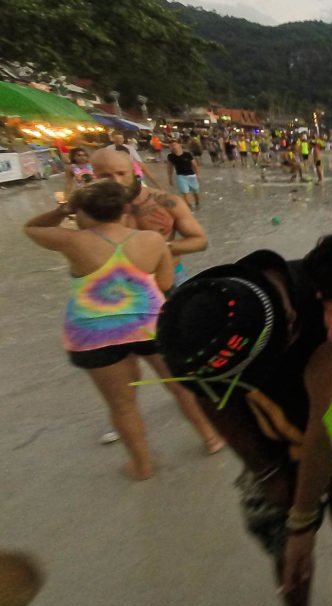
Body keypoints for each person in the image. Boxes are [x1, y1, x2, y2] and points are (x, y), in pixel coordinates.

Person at [156, 250, 332, 606]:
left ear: (291, 322)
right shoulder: (199, 332)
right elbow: (211, 400)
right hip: (274, 447)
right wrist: (267, 470)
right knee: (285, 551)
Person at [23, 180, 222, 480]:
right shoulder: (152, 241)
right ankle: (211, 437)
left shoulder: (72, 241)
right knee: (181, 385)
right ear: (126, 208)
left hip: (95, 334)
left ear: (81, 211)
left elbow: (31, 228)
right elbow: (166, 284)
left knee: (122, 404)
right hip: (150, 324)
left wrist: (63, 208)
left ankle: (142, 466)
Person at [91, 148, 209, 289]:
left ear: (135, 171)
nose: (117, 181)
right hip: (124, 283)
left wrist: (158, 247)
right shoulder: (93, 209)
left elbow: (200, 241)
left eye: (121, 173)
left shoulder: (166, 201)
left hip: (172, 275)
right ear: (95, 177)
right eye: (106, 176)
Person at [165, 140, 201, 212]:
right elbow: (170, 167)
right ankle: (190, 207)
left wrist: (198, 174)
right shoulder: (170, 156)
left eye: (174, 145)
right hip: (180, 177)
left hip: (191, 176)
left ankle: (197, 203)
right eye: (171, 146)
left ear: (179, 145)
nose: (173, 147)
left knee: (196, 192)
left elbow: (194, 165)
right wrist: (170, 178)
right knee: (185, 192)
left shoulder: (187, 154)